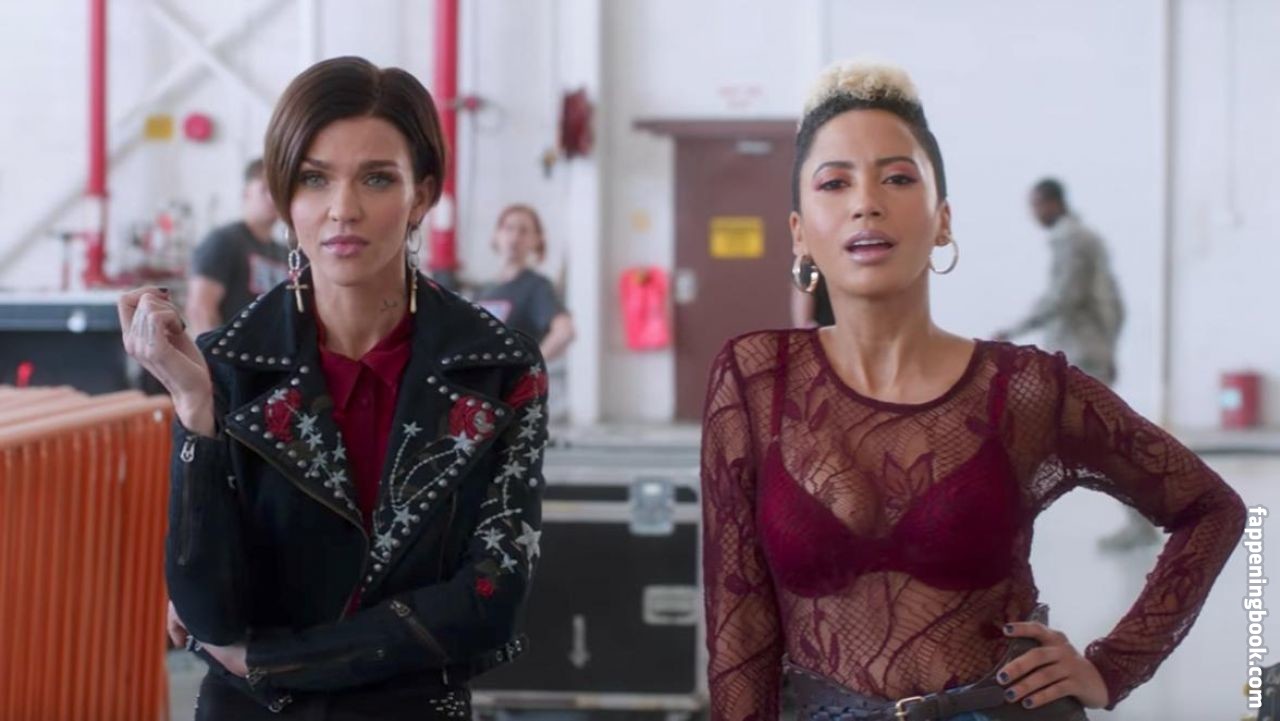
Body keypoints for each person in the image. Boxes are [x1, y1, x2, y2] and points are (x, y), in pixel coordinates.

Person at [699, 60, 1245, 721]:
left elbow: (1210, 508)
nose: (866, 202)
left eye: (898, 178)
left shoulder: (1024, 388)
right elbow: (739, 627)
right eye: (835, 182)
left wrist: (1113, 666)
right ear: (799, 233)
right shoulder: (756, 377)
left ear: (943, 221)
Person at [118, 56, 548, 720]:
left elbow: (490, 601)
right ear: (285, 196)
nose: (343, 209)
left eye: (377, 178)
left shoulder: (496, 370)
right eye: (315, 178)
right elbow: (208, 614)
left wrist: (274, 662)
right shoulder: (227, 365)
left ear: (422, 195)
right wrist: (194, 411)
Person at [996, 179, 1155, 551]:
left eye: (1036, 205)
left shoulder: (1073, 240)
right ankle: (1005, 519)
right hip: (1082, 352)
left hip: (1080, 355)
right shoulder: (1079, 238)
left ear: (1052, 203)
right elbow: (1109, 301)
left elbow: (1064, 297)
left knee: (1099, 444)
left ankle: (1003, 522)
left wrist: (1015, 328)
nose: (1033, 213)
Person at [187, 159, 289, 335]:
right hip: (232, 350)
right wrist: (214, 352)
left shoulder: (285, 253)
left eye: (278, 191)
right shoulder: (224, 241)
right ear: (246, 193)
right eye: (265, 189)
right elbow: (200, 310)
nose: (273, 198)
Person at [474, 204, 576, 362]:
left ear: (536, 240)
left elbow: (564, 331)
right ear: (497, 234)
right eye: (509, 228)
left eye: (523, 231)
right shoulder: (484, 291)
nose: (514, 237)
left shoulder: (536, 287)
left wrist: (530, 366)